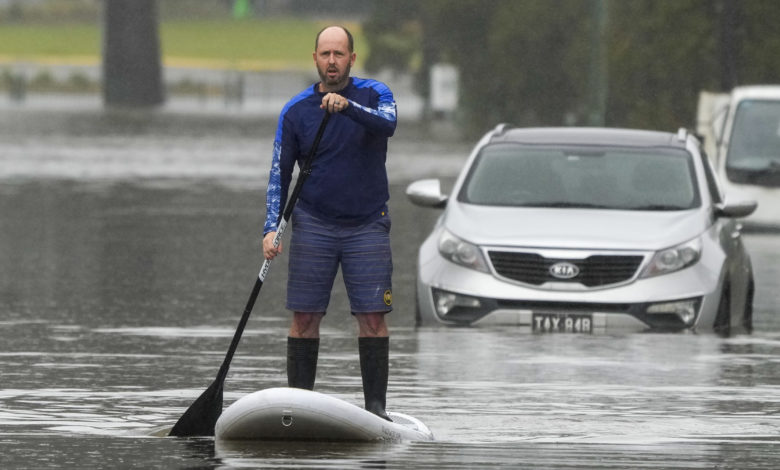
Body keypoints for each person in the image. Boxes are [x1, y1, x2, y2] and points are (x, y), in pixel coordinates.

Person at [262, 25, 396, 420]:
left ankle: (376, 410)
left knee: (372, 318)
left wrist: (347, 107)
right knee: (304, 318)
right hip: (314, 224)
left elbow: (387, 123)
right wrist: (271, 227)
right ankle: (299, 408)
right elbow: (279, 176)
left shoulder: (376, 94)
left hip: (368, 223)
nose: (332, 61)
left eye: (340, 54)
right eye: (325, 54)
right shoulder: (296, 110)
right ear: (315, 58)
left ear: (352, 59)